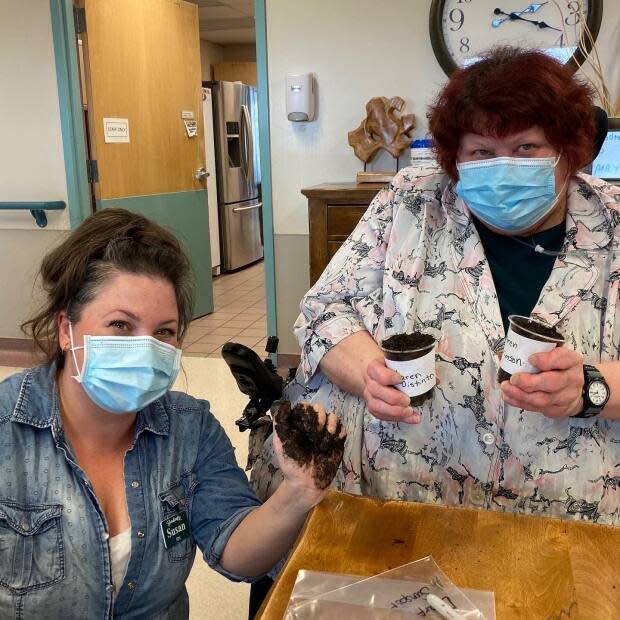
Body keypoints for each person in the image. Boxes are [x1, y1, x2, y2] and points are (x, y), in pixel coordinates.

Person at [251, 47, 620, 525]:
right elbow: (326, 310)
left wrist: (592, 388)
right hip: (404, 504)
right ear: (455, 158)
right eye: (481, 152)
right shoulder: (409, 204)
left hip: (570, 519)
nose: (503, 165)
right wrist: (368, 374)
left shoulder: (613, 222)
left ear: (568, 152)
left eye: (526, 147)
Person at [0, 208, 344, 619]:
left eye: (164, 331)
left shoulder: (189, 429)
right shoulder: (8, 432)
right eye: (121, 325)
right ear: (65, 329)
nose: (145, 349)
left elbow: (235, 550)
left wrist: (298, 492)